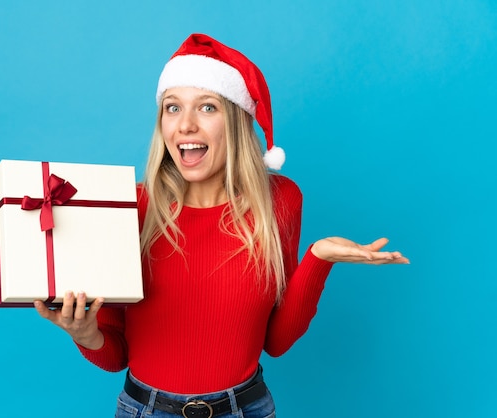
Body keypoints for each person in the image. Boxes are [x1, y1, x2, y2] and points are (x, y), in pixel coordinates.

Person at [34, 33, 409, 417]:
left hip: (245, 408)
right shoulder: (129, 206)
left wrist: (318, 258)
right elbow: (115, 357)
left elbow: (276, 342)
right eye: (173, 108)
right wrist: (85, 333)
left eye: (207, 107)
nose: (186, 125)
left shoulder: (279, 200)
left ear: (236, 120)